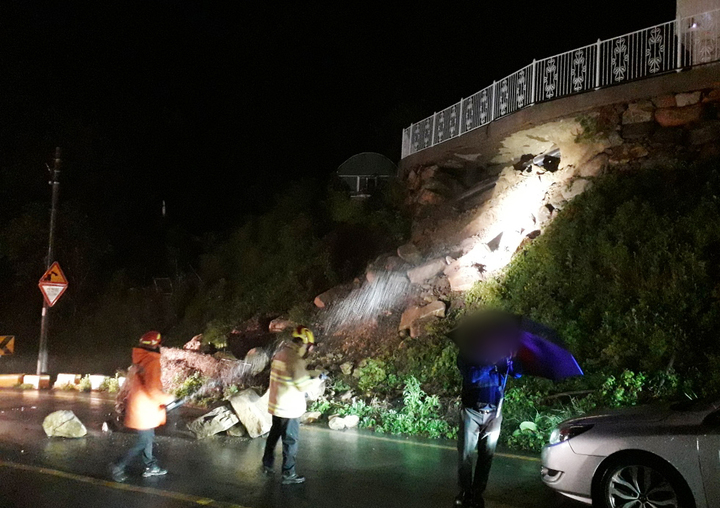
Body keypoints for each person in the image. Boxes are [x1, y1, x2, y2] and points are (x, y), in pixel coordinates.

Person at [455, 353, 520, 508]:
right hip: (472, 411)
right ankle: (465, 491)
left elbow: (517, 374)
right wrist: (492, 363)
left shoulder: (503, 356)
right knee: (465, 454)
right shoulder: (468, 355)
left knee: (486, 456)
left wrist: (512, 362)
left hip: (494, 413)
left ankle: (477, 493)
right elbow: (471, 377)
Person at [262, 325, 324, 485]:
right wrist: (318, 380)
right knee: (290, 442)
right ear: (304, 344)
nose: (310, 350)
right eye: (309, 346)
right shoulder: (295, 360)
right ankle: (288, 474)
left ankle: (267, 464)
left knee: (273, 436)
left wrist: (308, 372)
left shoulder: (281, 354)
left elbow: (291, 374)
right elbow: (302, 385)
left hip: (276, 406)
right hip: (289, 409)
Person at [111, 331, 175, 482]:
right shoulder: (152, 362)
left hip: (142, 407)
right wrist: (168, 398)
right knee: (143, 441)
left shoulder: (141, 360)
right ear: (156, 345)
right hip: (145, 409)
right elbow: (152, 389)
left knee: (148, 438)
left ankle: (150, 465)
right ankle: (119, 465)